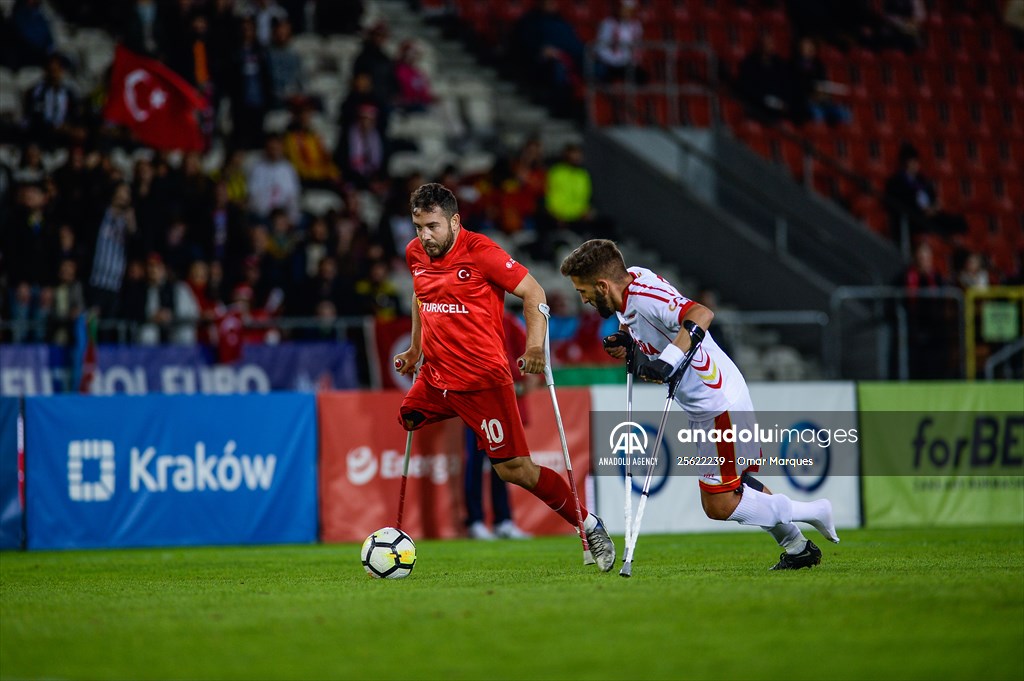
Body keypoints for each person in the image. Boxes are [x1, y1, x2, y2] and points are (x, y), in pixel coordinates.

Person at [559, 239, 840, 570]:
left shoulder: (645, 298)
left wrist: (667, 362)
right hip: (709, 404)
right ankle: (797, 548)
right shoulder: (629, 284)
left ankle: (813, 510)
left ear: (603, 285)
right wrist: (628, 342)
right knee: (740, 486)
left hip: (717, 404)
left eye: (584, 291)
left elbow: (700, 314)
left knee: (718, 504)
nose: (583, 299)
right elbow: (646, 329)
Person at [393, 183, 616, 571]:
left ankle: (588, 523)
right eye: (417, 227)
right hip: (435, 378)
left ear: (455, 221)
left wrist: (533, 348)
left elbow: (535, 292)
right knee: (407, 417)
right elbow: (419, 293)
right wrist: (416, 349)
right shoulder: (416, 253)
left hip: (483, 381)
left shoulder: (482, 253)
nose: (424, 236)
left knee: (514, 470)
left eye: (432, 226)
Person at [465, 307, 535, 540]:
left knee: (505, 465)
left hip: (505, 405)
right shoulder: (469, 319)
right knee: (475, 463)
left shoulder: (509, 322)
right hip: (476, 403)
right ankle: (475, 521)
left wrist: (523, 386)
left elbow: (531, 357)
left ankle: (503, 521)